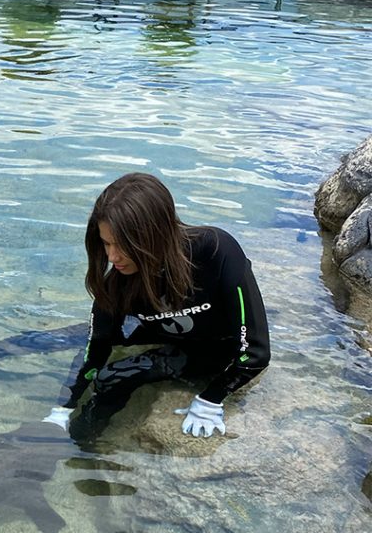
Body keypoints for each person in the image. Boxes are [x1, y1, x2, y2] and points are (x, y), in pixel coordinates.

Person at [42, 172, 270, 442]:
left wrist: (211, 398)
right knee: (65, 340)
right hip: (164, 329)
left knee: (111, 377)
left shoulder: (216, 251)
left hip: (216, 347)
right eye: (106, 243)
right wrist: (64, 406)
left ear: (153, 236)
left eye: (123, 245)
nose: (112, 257)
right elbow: (97, 347)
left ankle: (81, 446)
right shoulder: (118, 281)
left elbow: (255, 352)